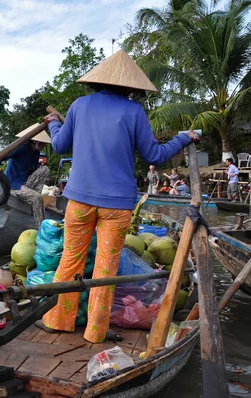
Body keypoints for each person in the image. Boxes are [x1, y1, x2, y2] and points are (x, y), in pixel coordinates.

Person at [38, 49, 200, 343]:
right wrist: (183, 138)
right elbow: (154, 154)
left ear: (96, 82)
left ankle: (59, 320)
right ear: (130, 87)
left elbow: (60, 146)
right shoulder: (134, 111)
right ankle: (96, 332)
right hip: (117, 206)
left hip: (80, 201)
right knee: (105, 268)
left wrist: (52, 123)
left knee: (69, 261)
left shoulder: (79, 105)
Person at [0, 129, 51, 226]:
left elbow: (33, 170)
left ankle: (32, 199)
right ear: (36, 142)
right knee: (37, 198)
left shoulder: (35, 153)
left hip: (24, 183)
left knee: (45, 169)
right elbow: (3, 154)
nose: (44, 146)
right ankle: (41, 227)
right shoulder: (21, 147)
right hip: (13, 184)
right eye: (43, 144)